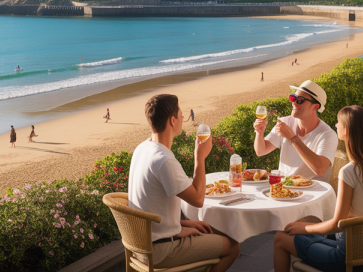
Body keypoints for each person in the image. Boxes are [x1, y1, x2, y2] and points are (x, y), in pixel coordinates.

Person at [272, 106, 363, 272]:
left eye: (338, 123)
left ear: (346, 130)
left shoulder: (349, 171)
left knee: (280, 237)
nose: (335, 125)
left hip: (345, 258)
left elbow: (337, 224)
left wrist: (304, 227)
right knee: (306, 232)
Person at [128, 94, 239, 271]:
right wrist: (199, 157)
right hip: (160, 250)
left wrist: (181, 226)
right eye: (180, 114)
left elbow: (151, 205)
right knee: (233, 247)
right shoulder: (163, 159)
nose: (182, 118)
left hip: (140, 244)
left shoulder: (142, 148)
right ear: (172, 121)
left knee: (208, 229)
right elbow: (198, 200)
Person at [253, 81, 338, 183]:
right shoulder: (285, 122)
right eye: (293, 97)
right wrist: (259, 133)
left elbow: (320, 169)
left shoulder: (327, 135)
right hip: (284, 188)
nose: (294, 102)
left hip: (313, 192)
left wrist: (292, 138)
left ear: (315, 107)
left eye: (300, 100)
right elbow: (261, 151)